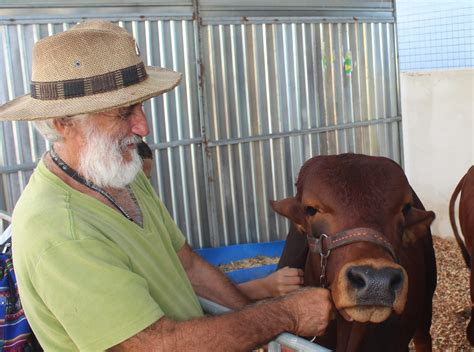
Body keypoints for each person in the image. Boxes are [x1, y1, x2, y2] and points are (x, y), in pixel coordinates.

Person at [0, 20, 333, 351]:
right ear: (64, 124)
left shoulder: (117, 174)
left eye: (141, 106)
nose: (143, 126)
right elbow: (155, 346)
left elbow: (187, 265)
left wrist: (263, 330)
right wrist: (282, 316)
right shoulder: (60, 230)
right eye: (124, 112)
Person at [137, 140, 305, 299]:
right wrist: (263, 288)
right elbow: (181, 299)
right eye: (136, 182)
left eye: (146, 181)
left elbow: (191, 271)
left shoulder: (151, 217)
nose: (143, 189)